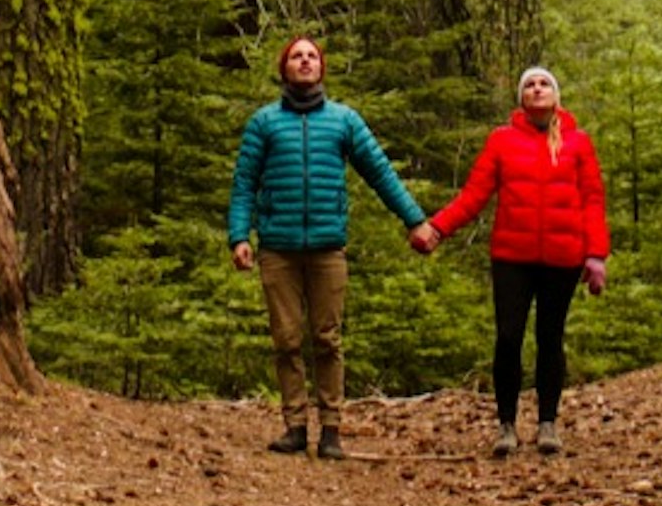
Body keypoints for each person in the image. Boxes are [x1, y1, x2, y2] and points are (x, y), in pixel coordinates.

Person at [228, 34, 430, 458]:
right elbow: (244, 182)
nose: (304, 62)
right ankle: (295, 425)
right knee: (285, 339)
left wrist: (415, 220)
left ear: (322, 67)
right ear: (284, 69)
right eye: (296, 57)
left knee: (327, 338)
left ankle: (332, 428)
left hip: (327, 248)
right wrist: (239, 236)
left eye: (311, 56)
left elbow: (380, 173)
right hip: (278, 249)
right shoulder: (264, 123)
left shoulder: (344, 121)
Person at [416, 64, 609, 456]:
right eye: (530, 85)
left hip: (563, 257)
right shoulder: (502, 141)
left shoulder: (578, 142)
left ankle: (547, 424)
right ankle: (506, 424)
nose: (537, 90)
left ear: (556, 96)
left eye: (544, 85)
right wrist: (438, 228)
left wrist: (596, 256)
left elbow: (592, 200)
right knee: (508, 338)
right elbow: (474, 195)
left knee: (550, 339)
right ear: (521, 98)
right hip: (512, 257)